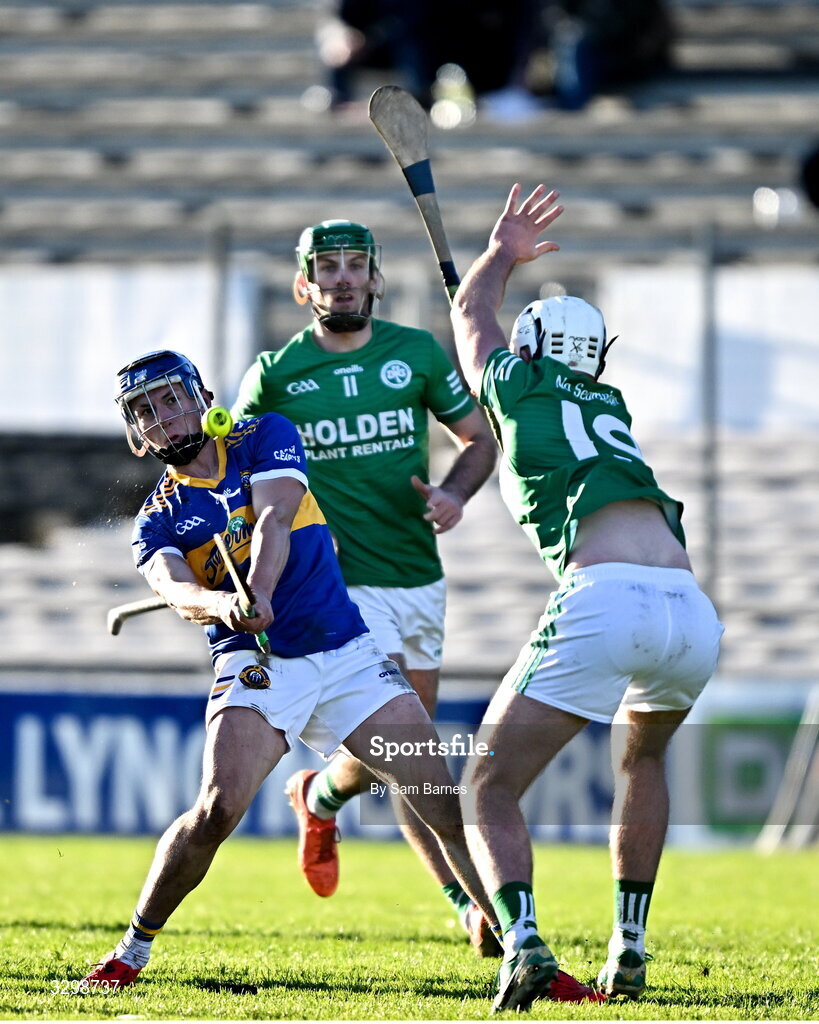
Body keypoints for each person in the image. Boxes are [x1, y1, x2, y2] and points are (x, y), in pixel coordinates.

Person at [82, 349, 494, 988]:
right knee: (218, 809)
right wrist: (222, 602)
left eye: (169, 399)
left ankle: (522, 946)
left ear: (198, 396)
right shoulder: (157, 520)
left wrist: (262, 588)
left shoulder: (265, 434)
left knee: (438, 797)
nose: (162, 417)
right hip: (257, 662)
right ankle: (131, 950)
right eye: (145, 412)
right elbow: (175, 589)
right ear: (138, 438)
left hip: (344, 646)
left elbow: (275, 514)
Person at [449, 184, 723, 1011]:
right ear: (597, 358)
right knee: (641, 759)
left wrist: (499, 255)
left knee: (485, 789)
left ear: (531, 349)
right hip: (689, 609)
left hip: (605, 599)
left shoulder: (519, 385)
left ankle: (524, 943)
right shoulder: (612, 402)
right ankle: (629, 945)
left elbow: (469, 313)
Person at [232, 219, 499, 955]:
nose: (343, 277)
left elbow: (479, 439)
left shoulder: (412, 353)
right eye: (327, 267)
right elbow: (237, 476)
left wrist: (453, 495)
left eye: (356, 265)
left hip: (419, 575)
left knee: (397, 757)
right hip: (343, 589)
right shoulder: (276, 374)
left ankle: (316, 796)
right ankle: (470, 907)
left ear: (377, 279)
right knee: (415, 766)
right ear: (303, 286)